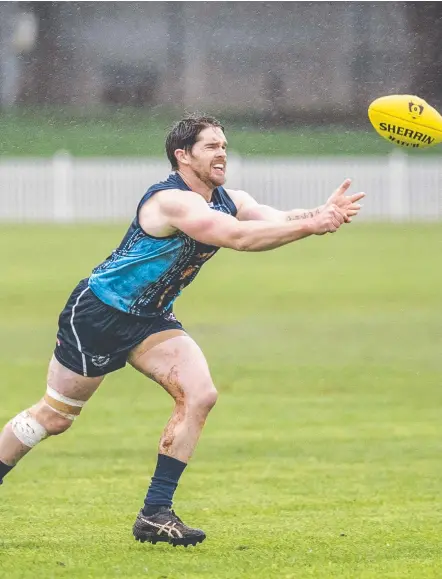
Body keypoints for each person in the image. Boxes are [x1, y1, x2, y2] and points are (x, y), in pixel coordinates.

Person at [0, 115, 364, 547]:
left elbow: (270, 219)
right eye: (211, 146)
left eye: (224, 145)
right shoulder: (173, 202)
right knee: (55, 418)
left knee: (200, 394)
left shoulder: (228, 198)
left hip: (152, 318)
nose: (222, 153)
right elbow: (238, 237)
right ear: (183, 155)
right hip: (98, 315)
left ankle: (155, 513)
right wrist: (311, 225)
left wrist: (319, 214)